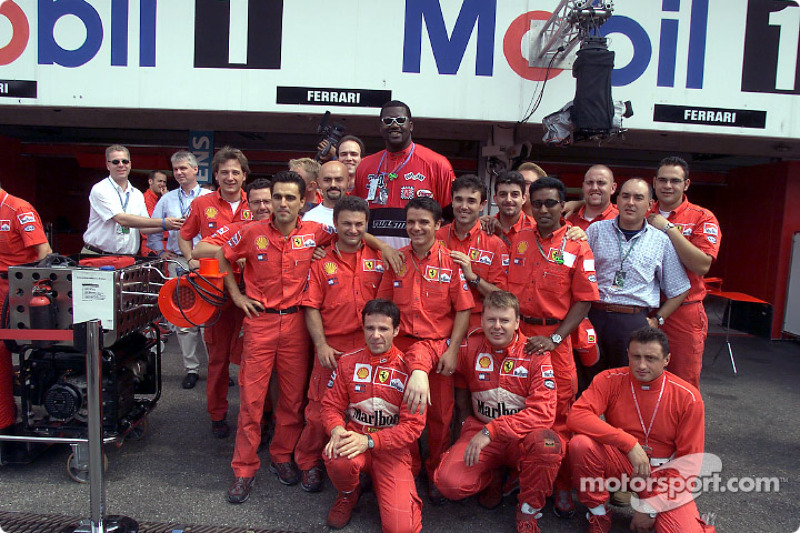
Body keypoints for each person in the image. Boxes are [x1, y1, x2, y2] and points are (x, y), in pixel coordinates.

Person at [507, 177, 600, 517]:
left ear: (563, 207)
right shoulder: (518, 240)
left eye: (551, 203)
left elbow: (585, 301)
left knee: (559, 415)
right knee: (515, 406)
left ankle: (561, 484)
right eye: (538, 203)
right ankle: (519, 475)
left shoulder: (578, 245)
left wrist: (556, 338)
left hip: (555, 341)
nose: (544, 209)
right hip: (518, 338)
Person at [434, 291, 562, 533]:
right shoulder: (470, 345)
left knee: (548, 445)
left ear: (517, 322)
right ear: (481, 321)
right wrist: (419, 371)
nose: (497, 326)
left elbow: (544, 413)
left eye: (504, 320)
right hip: (480, 431)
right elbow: (430, 349)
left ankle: (527, 511)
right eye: (491, 320)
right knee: (448, 484)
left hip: (519, 437)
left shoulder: (535, 354)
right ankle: (495, 476)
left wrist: (492, 429)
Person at [567, 327, 716, 533]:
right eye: (635, 356)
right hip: (623, 462)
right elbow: (577, 416)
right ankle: (598, 513)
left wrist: (650, 508)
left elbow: (689, 462)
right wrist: (628, 443)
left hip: (665, 476)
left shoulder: (688, 397)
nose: (641, 365)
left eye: (651, 358)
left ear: (667, 360)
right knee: (580, 444)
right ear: (627, 354)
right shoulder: (609, 379)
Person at [377, 197, 474, 504]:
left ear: (437, 225)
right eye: (411, 222)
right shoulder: (396, 260)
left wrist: (453, 349)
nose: (416, 228)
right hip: (401, 347)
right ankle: (408, 469)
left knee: (440, 417)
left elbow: (463, 310)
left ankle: (435, 472)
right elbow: (383, 309)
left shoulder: (451, 262)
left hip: (438, 349)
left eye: (423, 222)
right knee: (400, 415)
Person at [295, 195, 384, 492]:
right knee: (319, 410)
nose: (353, 229)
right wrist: (320, 346)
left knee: (366, 409)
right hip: (333, 349)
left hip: (370, 348)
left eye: (359, 224)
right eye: (346, 223)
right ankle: (308, 462)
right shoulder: (320, 260)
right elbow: (310, 306)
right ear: (334, 224)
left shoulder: (379, 256)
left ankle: (362, 463)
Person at [321, 299, 425, 532]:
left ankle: (385, 486)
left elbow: (412, 428)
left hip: (392, 451)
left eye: (383, 329)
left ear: (397, 330)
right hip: (354, 440)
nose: (376, 335)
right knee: (336, 453)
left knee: (401, 529)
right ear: (363, 328)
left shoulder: (411, 370)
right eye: (370, 328)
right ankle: (348, 493)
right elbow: (330, 407)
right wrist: (337, 430)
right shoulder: (348, 362)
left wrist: (369, 441)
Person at [178, 146, 253, 437]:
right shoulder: (202, 203)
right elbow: (185, 237)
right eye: (225, 172)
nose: (230, 177)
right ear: (216, 175)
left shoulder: (259, 202)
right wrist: (191, 261)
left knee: (252, 358)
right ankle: (217, 414)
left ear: (244, 175)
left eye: (236, 172)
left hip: (250, 291)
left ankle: (256, 416)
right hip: (214, 291)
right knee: (219, 358)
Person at [585, 179, 690, 381]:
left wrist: (658, 319)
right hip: (593, 316)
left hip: (632, 321)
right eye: (625, 196)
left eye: (638, 197)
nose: (630, 202)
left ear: (650, 205)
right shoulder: (596, 231)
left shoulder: (660, 240)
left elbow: (680, 288)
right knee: (589, 382)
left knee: (626, 384)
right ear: (617, 200)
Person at [647, 157, 721, 389]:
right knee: (642, 377)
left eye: (675, 181)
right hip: (644, 307)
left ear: (686, 184)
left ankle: (685, 427)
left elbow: (701, 265)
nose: (668, 186)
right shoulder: (641, 210)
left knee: (682, 383)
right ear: (654, 182)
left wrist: (668, 228)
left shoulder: (702, 217)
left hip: (684, 312)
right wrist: (575, 204)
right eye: (663, 180)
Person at [147, 152, 211, 390]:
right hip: (179, 261)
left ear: (196, 170)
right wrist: (158, 251)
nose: (179, 173)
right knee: (185, 318)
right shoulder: (167, 199)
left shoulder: (210, 196)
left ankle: (217, 369)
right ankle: (191, 368)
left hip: (207, 262)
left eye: (184, 168)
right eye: (175, 169)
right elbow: (152, 227)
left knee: (210, 318)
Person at [354, 100, 455, 248]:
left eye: (400, 120)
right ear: (380, 127)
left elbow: (452, 218)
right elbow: (354, 215)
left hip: (419, 261)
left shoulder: (437, 164)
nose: (394, 125)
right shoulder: (364, 165)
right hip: (372, 259)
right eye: (387, 121)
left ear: (411, 126)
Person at [0, 182, 52, 433]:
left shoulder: (18, 209)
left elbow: (45, 253)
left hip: (14, 289)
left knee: (3, 349)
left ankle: (5, 421)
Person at [435, 174, 507, 328]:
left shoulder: (496, 244)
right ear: (452, 201)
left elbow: (503, 297)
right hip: (439, 326)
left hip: (478, 328)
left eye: (471, 201)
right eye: (459, 199)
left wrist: (473, 278)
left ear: (482, 205)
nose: (464, 206)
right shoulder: (436, 237)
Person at [83, 145, 182, 255]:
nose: (121, 165)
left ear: (130, 164)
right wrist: (163, 222)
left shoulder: (137, 194)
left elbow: (144, 228)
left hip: (126, 259)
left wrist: (171, 225)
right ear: (108, 165)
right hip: (97, 256)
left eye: (125, 161)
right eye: (116, 162)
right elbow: (121, 219)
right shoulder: (100, 189)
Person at [566, 165, 618, 231]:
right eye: (590, 182)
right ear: (583, 187)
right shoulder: (568, 219)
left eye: (601, 183)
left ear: (612, 188)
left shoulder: (621, 220)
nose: (594, 188)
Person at [303, 161, 348, 226]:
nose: (333, 185)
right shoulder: (309, 219)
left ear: (348, 181)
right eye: (327, 180)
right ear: (319, 182)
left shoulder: (360, 215)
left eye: (338, 180)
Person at [141, 170, 168, 256]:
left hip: (165, 244)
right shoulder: (144, 199)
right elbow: (151, 222)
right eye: (159, 181)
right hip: (150, 246)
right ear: (150, 181)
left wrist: (166, 199)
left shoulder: (164, 197)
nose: (162, 184)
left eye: (164, 182)